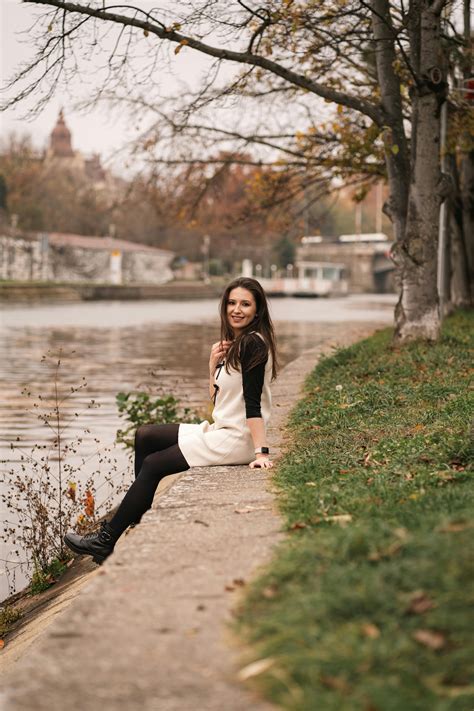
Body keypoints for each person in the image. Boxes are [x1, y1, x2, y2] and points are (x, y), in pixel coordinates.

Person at [64, 277, 279, 564]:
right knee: (146, 435)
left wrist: (261, 452)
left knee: (154, 465)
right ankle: (137, 517)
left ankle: (105, 541)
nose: (236, 309)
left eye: (245, 304)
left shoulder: (252, 344)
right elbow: (221, 400)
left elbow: (252, 404)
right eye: (231, 302)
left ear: (257, 310)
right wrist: (211, 365)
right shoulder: (237, 344)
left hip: (237, 439)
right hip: (222, 429)